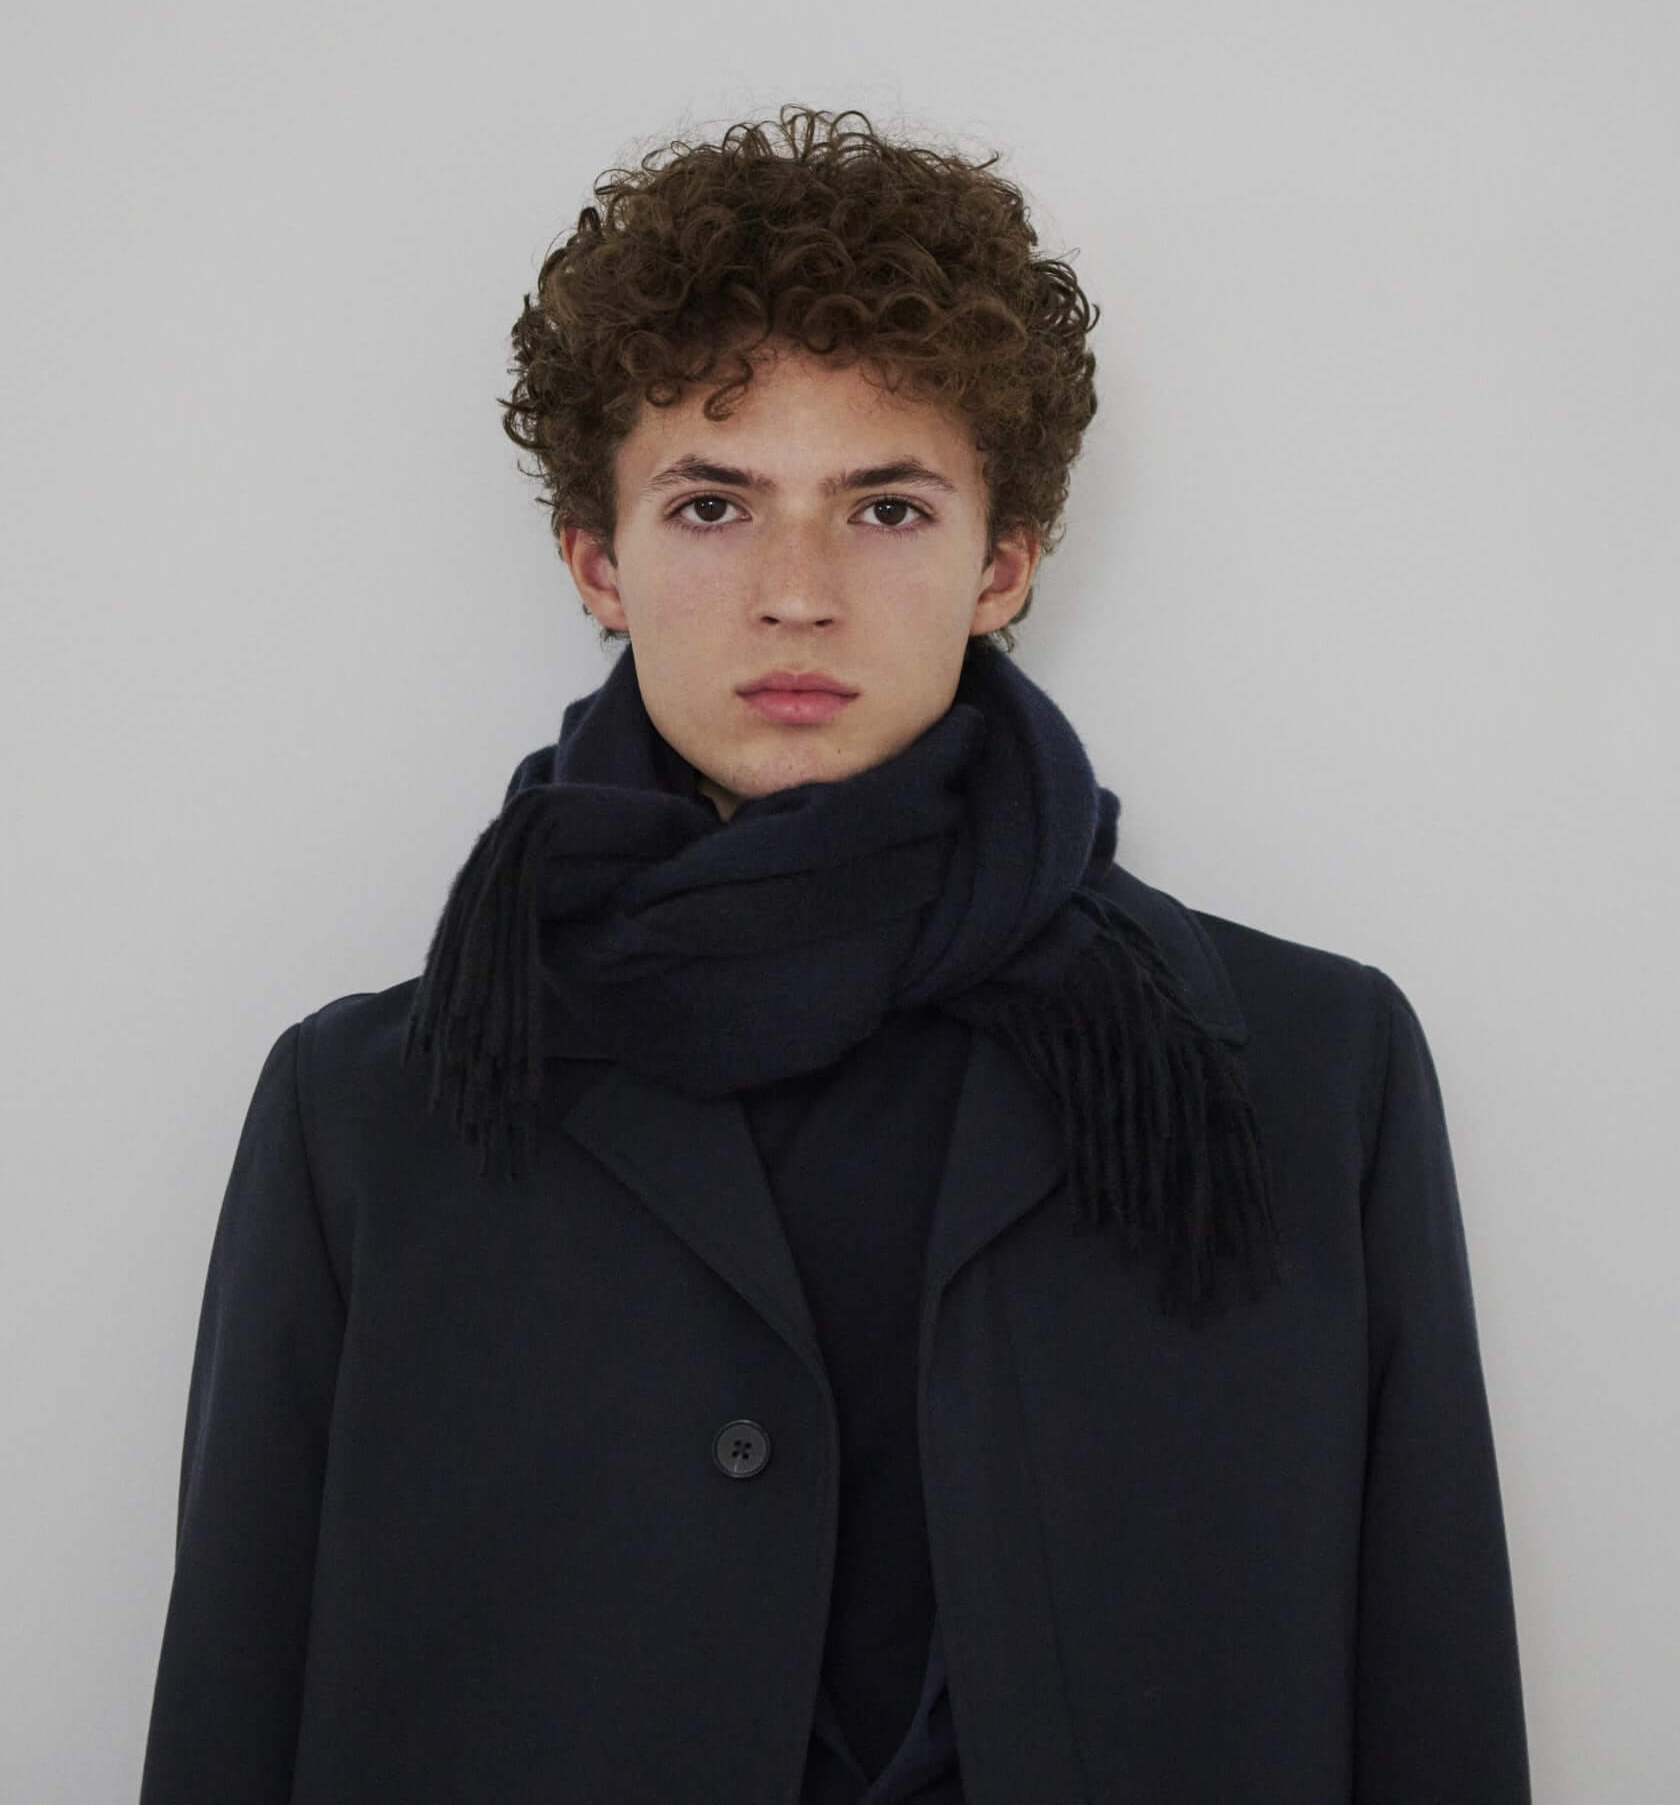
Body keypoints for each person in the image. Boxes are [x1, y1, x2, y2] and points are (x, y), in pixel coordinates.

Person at [138, 105, 1531, 1803]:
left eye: (884, 508)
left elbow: (1432, 1696)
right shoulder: (367, 1113)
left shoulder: (1313, 1071)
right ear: (598, 560)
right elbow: (235, 1703)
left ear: (1002, 564)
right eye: (714, 505)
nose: (796, 592)